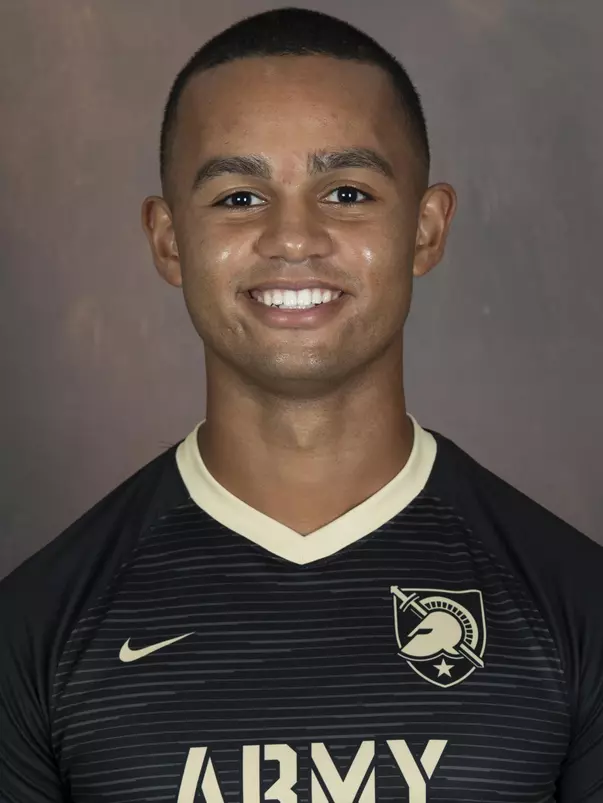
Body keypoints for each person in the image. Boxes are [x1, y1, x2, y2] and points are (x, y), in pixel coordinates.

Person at [1, 7, 602, 802]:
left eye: (346, 191)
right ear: (169, 240)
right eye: (239, 197)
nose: (293, 236)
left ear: (424, 229)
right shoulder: (35, 628)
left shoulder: (574, 605)